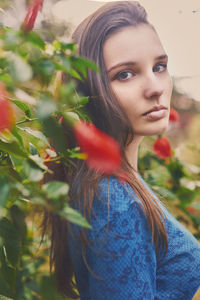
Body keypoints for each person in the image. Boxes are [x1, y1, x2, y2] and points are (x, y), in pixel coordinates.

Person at [43, 1, 200, 299]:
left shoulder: (111, 184)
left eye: (159, 66)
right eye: (125, 74)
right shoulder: (113, 199)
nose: (155, 87)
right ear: (87, 92)